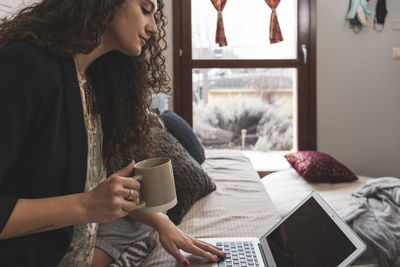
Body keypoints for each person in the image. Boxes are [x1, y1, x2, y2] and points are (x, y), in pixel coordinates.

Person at [0, 0, 225, 266]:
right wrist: (86, 206)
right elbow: (84, 200)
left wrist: (159, 220)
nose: (153, 28)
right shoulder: (25, 66)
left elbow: (75, 182)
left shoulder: (91, 81)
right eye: (145, 9)